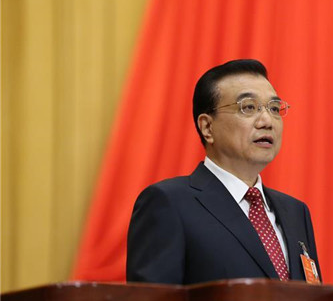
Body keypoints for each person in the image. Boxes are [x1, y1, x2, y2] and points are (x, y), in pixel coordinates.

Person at [126, 59, 321, 284]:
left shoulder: (296, 212)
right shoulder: (168, 203)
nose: (267, 121)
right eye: (249, 107)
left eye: (275, 108)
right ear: (207, 127)